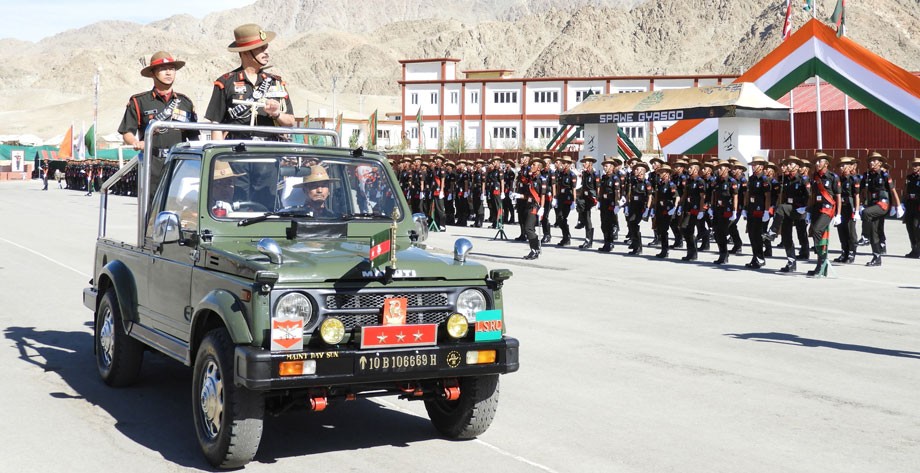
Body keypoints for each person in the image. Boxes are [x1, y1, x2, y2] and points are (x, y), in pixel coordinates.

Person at [118, 51, 198, 200]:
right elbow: (126, 132)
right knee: (152, 206)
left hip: (179, 162)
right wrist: (135, 142)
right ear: (153, 73)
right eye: (163, 69)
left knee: (179, 204)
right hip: (152, 163)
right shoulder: (139, 101)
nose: (169, 72)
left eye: (172, 68)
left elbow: (194, 138)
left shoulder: (185, 103)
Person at [206, 23, 294, 139]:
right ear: (245, 52)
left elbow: (291, 121)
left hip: (270, 148)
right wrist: (218, 150)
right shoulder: (225, 83)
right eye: (260, 48)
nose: (266, 52)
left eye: (266, 47)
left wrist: (277, 114)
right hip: (237, 148)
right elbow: (216, 125)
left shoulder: (275, 82)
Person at [763, 156, 810, 273]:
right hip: (788, 210)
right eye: (787, 164)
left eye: (791, 164)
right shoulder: (787, 179)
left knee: (782, 209)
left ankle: (773, 232)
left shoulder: (803, 179)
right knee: (786, 236)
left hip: (799, 210)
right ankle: (791, 262)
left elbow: (809, 196)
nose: (788, 166)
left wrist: (805, 208)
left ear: (797, 167)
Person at [806, 153, 842, 276]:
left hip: (827, 209)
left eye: (819, 161)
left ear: (826, 163)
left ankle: (819, 254)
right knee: (815, 233)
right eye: (816, 162)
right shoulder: (814, 176)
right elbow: (812, 195)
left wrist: (838, 214)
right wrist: (809, 211)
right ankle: (820, 267)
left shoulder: (833, 177)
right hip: (816, 208)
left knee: (817, 230)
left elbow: (838, 196)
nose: (817, 164)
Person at [861, 152, 894, 266]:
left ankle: (865, 237)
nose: (872, 163)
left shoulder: (884, 175)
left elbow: (892, 191)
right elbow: (861, 191)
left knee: (866, 213)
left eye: (874, 160)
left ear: (880, 163)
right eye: (870, 160)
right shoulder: (868, 176)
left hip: (883, 204)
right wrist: (860, 204)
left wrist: (896, 206)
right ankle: (877, 257)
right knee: (873, 231)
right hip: (873, 204)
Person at [742, 157, 772, 269]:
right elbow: (748, 194)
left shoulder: (764, 179)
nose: (753, 166)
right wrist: (745, 208)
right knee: (751, 234)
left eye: (756, 164)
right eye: (753, 164)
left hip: (760, 209)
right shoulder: (751, 178)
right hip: (751, 208)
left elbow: (767, 196)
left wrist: (766, 211)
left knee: (758, 235)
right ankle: (755, 257)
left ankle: (760, 258)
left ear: (762, 166)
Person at [710, 161, 739, 265]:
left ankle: (724, 255)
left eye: (721, 168)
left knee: (721, 232)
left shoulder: (732, 181)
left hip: (727, 210)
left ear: (727, 169)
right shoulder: (717, 181)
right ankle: (722, 253)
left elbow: (735, 196)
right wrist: (711, 207)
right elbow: (714, 194)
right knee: (717, 233)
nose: (719, 170)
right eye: (718, 168)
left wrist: (734, 211)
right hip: (717, 210)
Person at [833, 157, 861, 263]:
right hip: (841, 208)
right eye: (840, 166)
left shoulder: (854, 179)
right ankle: (844, 252)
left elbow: (857, 196)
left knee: (850, 231)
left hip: (850, 207)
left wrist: (857, 211)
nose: (841, 168)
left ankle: (851, 253)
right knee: (841, 230)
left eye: (843, 165)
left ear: (849, 167)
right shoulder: (838, 179)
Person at [679, 161, 706, 262]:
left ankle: (692, 253)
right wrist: (680, 205)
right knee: (684, 229)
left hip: (695, 209)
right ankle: (691, 251)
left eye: (691, 168)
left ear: (696, 170)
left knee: (688, 229)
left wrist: (701, 210)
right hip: (688, 208)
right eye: (688, 168)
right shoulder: (689, 181)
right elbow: (685, 194)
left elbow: (702, 197)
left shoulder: (700, 181)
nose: (688, 169)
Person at [625, 160, 653, 256]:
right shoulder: (633, 181)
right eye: (635, 170)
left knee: (634, 223)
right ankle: (635, 243)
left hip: (641, 207)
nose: (635, 171)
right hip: (633, 206)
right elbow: (629, 194)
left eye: (637, 169)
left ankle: (638, 247)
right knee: (630, 223)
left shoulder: (646, 183)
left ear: (643, 171)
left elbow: (650, 196)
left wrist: (647, 209)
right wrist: (626, 205)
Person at [653, 163, 680, 259]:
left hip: (668, 210)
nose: (660, 173)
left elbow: (677, 197)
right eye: (660, 172)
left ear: (667, 173)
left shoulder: (671, 185)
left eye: (662, 172)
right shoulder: (660, 184)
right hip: (660, 209)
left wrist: (674, 208)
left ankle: (665, 250)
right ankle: (664, 249)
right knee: (660, 230)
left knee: (664, 230)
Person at [597, 156, 622, 253]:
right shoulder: (604, 178)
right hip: (604, 203)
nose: (604, 167)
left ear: (612, 167)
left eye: (606, 166)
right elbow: (601, 190)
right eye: (604, 166)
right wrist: (599, 201)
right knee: (603, 224)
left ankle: (610, 243)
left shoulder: (615, 178)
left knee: (609, 224)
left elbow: (617, 192)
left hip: (611, 204)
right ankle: (606, 242)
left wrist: (617, 204)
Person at [522, 160, 547, 260]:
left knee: (529, 228)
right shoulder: (531, 179)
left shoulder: (542, 179)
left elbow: (543, 195)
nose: (531, 166)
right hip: (528, 204)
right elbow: (528, 195)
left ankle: (535, 250)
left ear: (538, 168)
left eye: (533, 165)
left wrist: (542, 207)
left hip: (535, 206)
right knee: (529, 228)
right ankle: (535, 249)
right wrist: (518, 195)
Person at [576, 156, 598, 249]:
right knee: (585, 216)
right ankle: (581, 222)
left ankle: (589, 241)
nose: (583, 164)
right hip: (584, 197)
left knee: (587, 219)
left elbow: (598, 187)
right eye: (583, 162)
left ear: (590, 163)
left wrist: (597, 199)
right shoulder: (585, 173)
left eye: (586, 162)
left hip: (591, 198)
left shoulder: (595, 174)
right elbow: (583, 186)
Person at [555, 156, 577, 246]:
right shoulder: (560, 174)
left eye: (567, 163)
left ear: (570, 164)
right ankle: (566, 235)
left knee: (563, 218)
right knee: (559, 219)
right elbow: (558, 186)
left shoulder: (572, 175)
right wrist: (556, 197)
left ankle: (566, 238)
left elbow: (574, 189)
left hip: (568, 199)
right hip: (560, 198)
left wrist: (574, 201)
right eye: (563, 163)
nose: (565, 165)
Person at [903, 157, 920, 258]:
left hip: (918, 206)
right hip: (910, 205)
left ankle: (918, 249)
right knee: (909, 228)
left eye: (917, 165)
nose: (914, 167)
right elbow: (905, 190)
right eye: (913, 165)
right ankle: (914, 250)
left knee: (916, 228)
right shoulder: (909, 177)